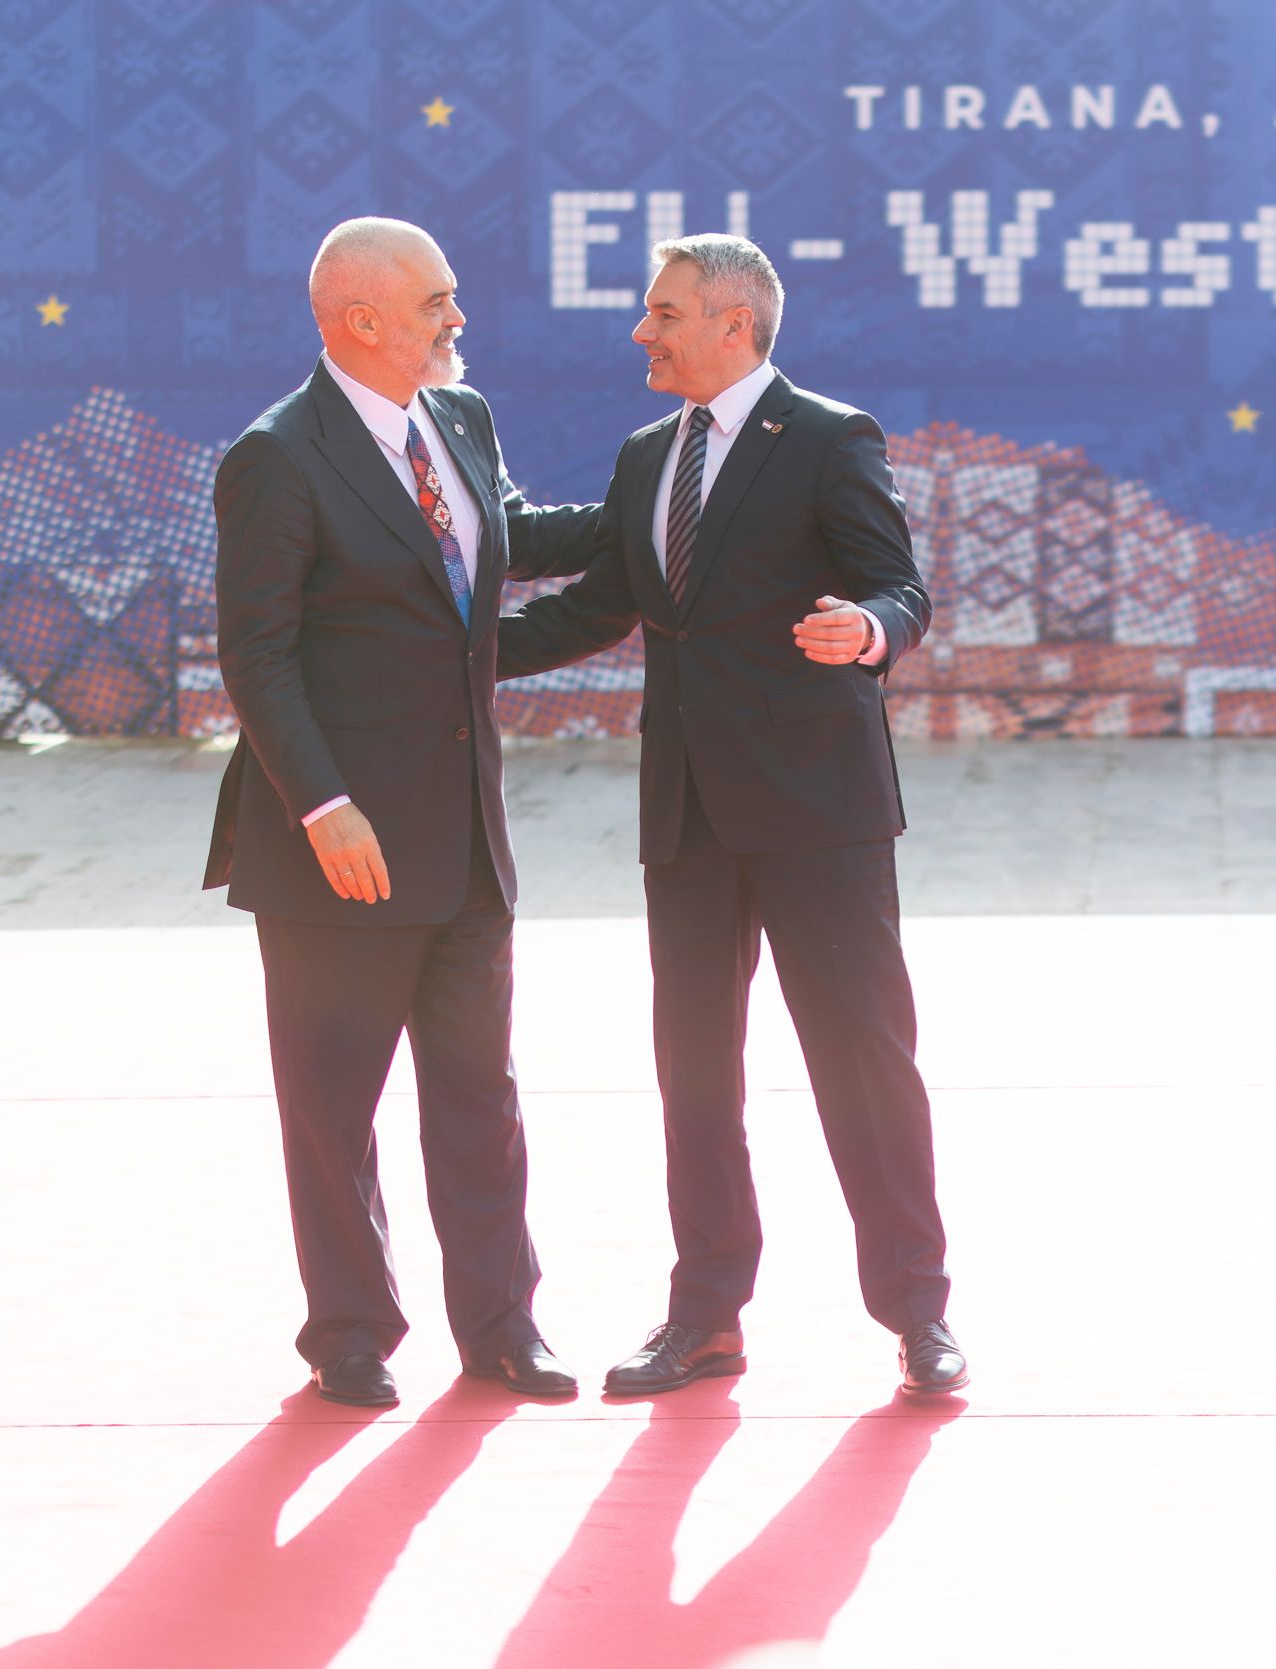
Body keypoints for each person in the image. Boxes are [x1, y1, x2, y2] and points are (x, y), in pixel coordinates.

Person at [497, 233, 965, 1398]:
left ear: (734, 323)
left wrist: (868, 631)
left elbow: (897, 583)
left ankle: (919, 1315)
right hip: (689, 816)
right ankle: (705, 1313)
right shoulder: (649, 452)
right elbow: (609, 603)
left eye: (662, 313)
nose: (642, 332)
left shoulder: (827, 437)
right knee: (695, 1074)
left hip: (819, 812)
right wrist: (452, 663)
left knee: (863, 1063)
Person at [204, 217, 609, 1407]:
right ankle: (348, 1333)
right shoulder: (277, 457)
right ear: (361, 319)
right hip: (342, 845)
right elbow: (259, 655)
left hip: (466, 834)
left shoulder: (461, 421)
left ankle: (501, 1325)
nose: (457, 319)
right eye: (436, 301)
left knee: (481, 1094)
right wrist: (324, 806)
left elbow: (509, 539)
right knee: (333, 1107)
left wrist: (652, 509)